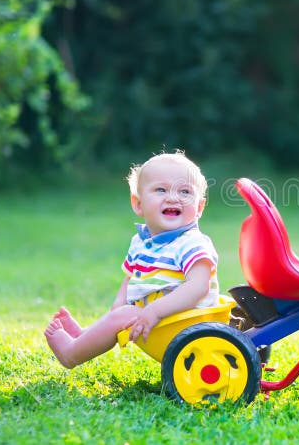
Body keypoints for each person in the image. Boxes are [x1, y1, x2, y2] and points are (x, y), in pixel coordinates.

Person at [44, 151, 219, 369]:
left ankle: (71, 354)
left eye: (184, 191)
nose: (173, 197)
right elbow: (132, 276)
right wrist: (119, 304)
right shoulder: (141, 241)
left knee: (124, 315)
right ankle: (84, 337)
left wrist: (154, 311)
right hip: (158, 319)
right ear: (138, 204)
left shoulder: (192, 243)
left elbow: (198, 287)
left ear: (199, 207)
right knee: (120, 314)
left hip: (184, 322)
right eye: (161, 189)